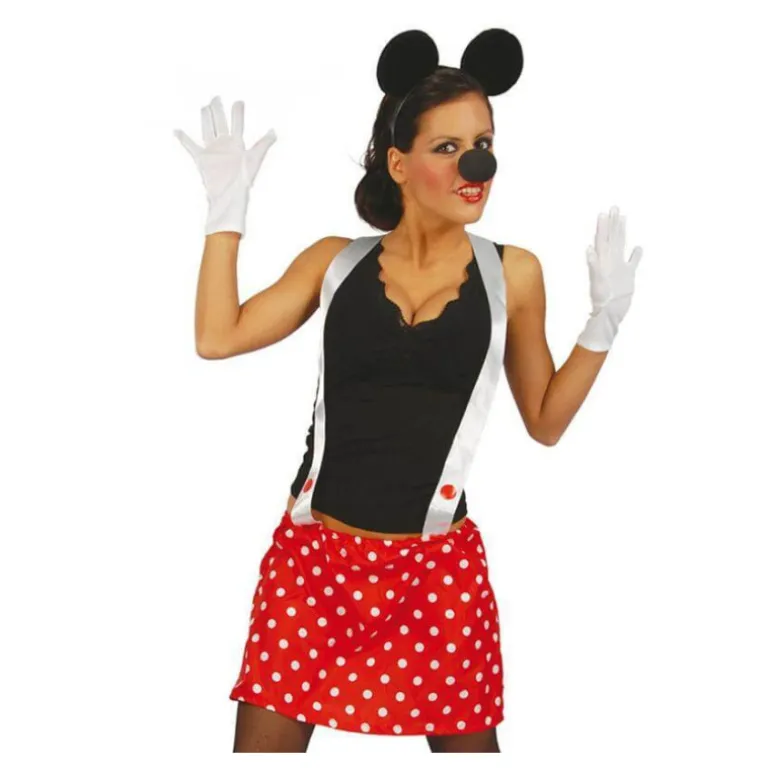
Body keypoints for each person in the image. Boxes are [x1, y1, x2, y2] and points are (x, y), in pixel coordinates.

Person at [174, 28, 643, 754]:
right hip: (312, 571)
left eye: (483, 142)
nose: (476, 163)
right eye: (447, 147)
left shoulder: (513, 274)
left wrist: (602, 325)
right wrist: (225, 215)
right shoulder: (335, 262)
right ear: (398, 163)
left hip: (437, 576)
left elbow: (546, 421)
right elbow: (217, 336)